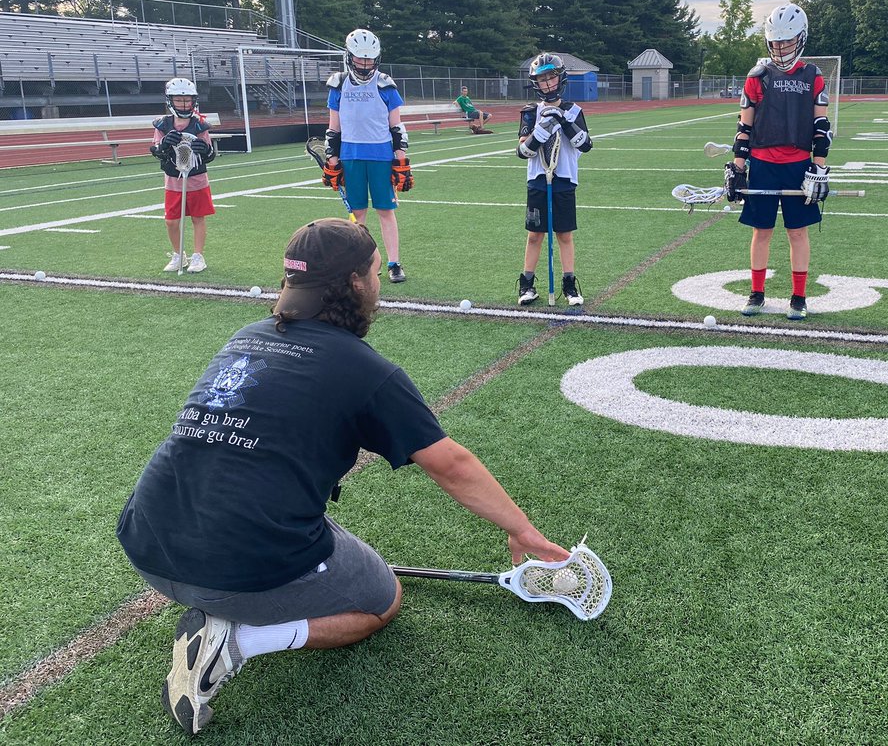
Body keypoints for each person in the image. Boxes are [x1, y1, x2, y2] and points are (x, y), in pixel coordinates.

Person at [116, 218, 570, 735]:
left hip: (146, 541)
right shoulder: (366, 371)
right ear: (355, 282)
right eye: (374, 272)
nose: (378, 284)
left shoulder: (248, 336)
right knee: (381, 599)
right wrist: (521, 529)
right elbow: (452, 464)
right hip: (233, 561)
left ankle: (223, 603)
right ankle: (237, 641)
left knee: (311, 532)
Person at [724, 3, 831, 321]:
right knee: (762, 231)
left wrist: (819, 167)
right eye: (775, 42)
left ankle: (798, 297)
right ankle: (757, 292)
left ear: (800, 38)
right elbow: (744, 128)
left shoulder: (813, 76)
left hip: (798, 165)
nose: (780, 48)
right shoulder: (757, 76)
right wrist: (738, 168)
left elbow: (821, 128)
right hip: (763, 163)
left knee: (797, 232)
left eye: (786, 41)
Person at [322, 29, 412, 283]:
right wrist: (332, 160)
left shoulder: (385, 84)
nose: (364, 64)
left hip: (381, 155)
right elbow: (334, 128)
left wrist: (401, 161)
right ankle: (361, 261)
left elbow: (397, 127)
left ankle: (394, 262)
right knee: (357, 213)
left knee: (385, 210)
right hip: (350, 156)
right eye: (360, 59)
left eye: (369, 59)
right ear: (350, 57)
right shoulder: (338, 84)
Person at [515, 53, 592, 307]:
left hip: (564, 179)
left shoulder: (574, 111)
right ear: (535, 82)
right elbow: (523, 151)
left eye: (551, 77)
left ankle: (569, 284)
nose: (547, 83)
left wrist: (563, 120)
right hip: (538, 179)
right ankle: (527, 284)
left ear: (560, 79)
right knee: (535, 235)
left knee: (564, 234)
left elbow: (586, 144)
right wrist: (541, 129)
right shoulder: (529, 113)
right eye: (542, 79)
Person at [152, 78, 217, 273]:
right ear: (170, 101)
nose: (183, 104)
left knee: (198, 217)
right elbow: (156, 150)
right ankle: (179, 254)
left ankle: (198, 256)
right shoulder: (163, 125)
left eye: (187, 100)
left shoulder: (200, 126)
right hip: (173, 182)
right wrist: (164, 145)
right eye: (179, 100)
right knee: (171, 220)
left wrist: (204, 150)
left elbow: (210, 154)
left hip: (196, 181)